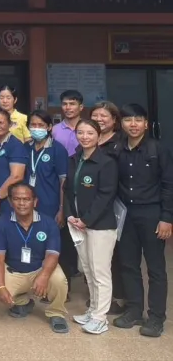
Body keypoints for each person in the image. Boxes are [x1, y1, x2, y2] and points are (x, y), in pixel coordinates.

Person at [113, 103, 172, 337]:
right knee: (128, 264)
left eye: (138, 120)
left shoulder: (158, 149)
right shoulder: (117, 149)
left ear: (146, 124)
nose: (133, 124)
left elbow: (169, 185)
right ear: (122, 124)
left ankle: (156, 317)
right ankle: (134, 310)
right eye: (128, 120)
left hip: (152, 214)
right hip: (125, 215)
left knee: (156, 268)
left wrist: (166, 218)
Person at [0, 182, 69, 334]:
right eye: (17, 199)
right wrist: (0, 287)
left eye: (26, 199)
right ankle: (23, 302)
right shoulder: (0, 223)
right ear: (10, 201)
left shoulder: (48, 223)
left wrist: (44, 276)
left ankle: (56, 313)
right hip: (14, 271)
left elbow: (53, 254)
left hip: (40, 269)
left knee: (59, 280)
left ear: (35, 201)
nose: (22, 203)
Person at [64, 119, 118, 335]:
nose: (84, 137)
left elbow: (106, 195)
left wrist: (86, 220)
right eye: (81, 133)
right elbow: (68, 190)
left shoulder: (106, 162)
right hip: (78, 223)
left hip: (100, 225)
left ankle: (100, 318)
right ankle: (93, 310)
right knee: (87, 269)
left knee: (100, 272)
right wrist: (71, 215)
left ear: (98, 135)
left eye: (90, 133)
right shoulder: (75, 158)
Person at [25, 110, 74, 282]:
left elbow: (63, 182)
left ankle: (62, 286)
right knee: (34, 243)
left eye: (41, 125)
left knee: (55, 246)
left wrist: (61, 209)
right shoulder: (26, 148)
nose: (36, 128)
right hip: (29, 207)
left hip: (51, 206)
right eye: (33, 125)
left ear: (49, 127)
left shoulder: (57, 150)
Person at [91, 100, 125, 314]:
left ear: (114, 120)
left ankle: (119, 298)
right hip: (93, 203)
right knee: (97, 255)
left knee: (117, 253)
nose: (99, 119)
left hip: (116, 203)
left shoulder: (120, 143)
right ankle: (101, 297)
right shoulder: (89, 138)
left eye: (104, 116)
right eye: (95, 116)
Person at [0, 109, 27, 227]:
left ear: (9, 124)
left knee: (8, 233)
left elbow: (17, 176)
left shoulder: (15, 145)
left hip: (7, 201)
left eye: (1, 123)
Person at [53, 90, 84, 157]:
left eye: (72, 104)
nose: (68, 107)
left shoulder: (88, 128)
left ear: (81, 107)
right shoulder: (54, 130)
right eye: (64, 104)